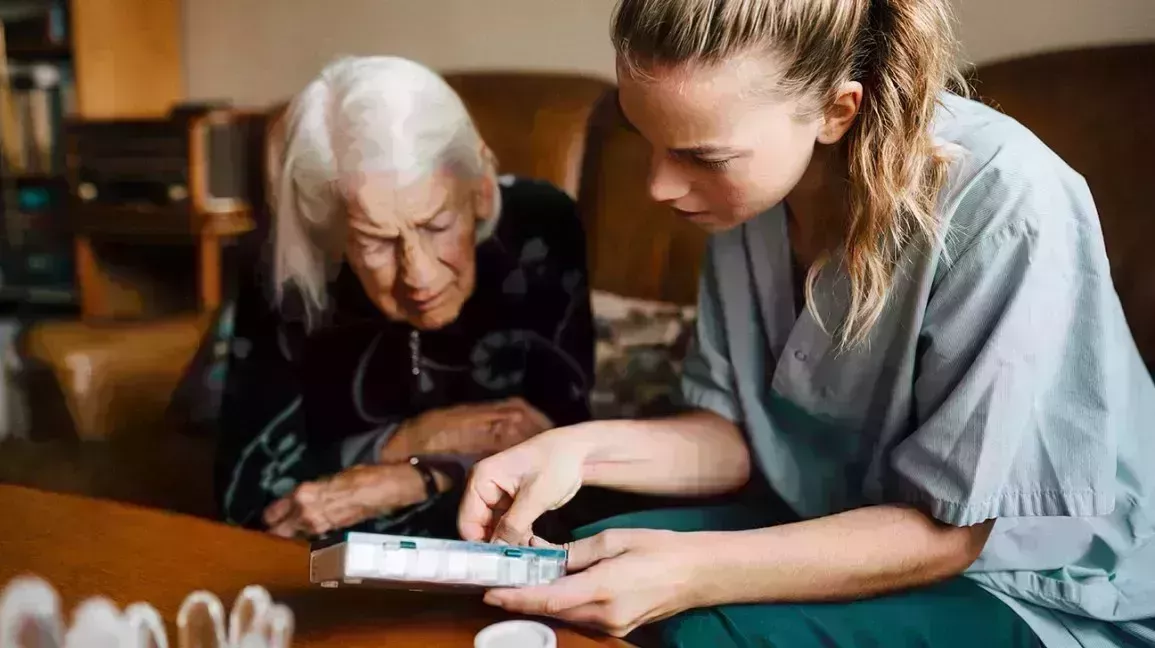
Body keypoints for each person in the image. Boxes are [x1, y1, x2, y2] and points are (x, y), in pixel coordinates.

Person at [456, 1, 1155, 647]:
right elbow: (736, 437)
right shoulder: (750, 193)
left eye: (701, 157)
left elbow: (950, 535)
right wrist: (576, 451)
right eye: (649, 141)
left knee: (696, 630)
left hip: (1037, 583)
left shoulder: (1004, 201)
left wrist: (693, 571)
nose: (658, 189)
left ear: (836, 111)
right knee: (584, 554)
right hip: (836, 513)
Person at [212, 55, 595, 541]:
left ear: (479, 186)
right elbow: (246, 499)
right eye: (375, 242)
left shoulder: (541, 228)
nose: (419, 274)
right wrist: (415, 440)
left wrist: (418, 476)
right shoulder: (286, 269)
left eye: (437, 226)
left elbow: (565, 445)